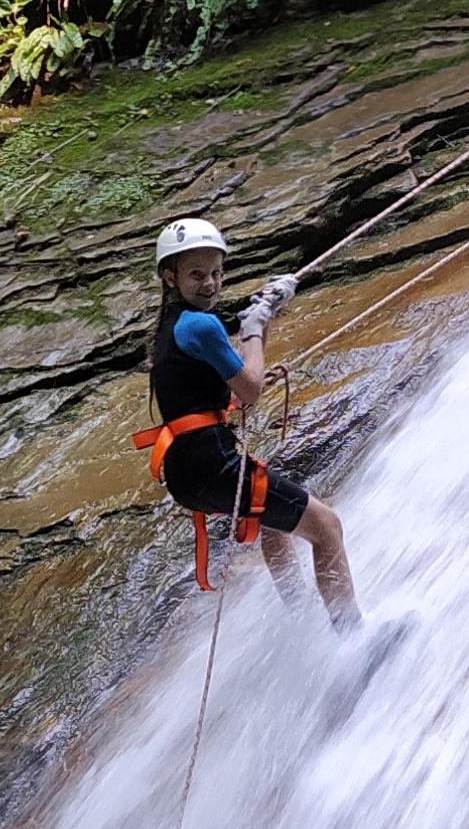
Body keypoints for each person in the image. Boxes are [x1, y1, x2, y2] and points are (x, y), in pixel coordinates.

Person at [137, 217, 361, 626]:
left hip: (188, 472)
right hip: (211, 467)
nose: (210, 284)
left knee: (274, 523)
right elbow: (252, 389)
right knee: (327, 527)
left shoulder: (170, 326)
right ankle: (353, 641)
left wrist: (258, 331)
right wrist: (255, 325)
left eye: (218, 273)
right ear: (169, 277)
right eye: (197, 274)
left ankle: (301, 617)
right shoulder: (201, 325)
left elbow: (230, 383)